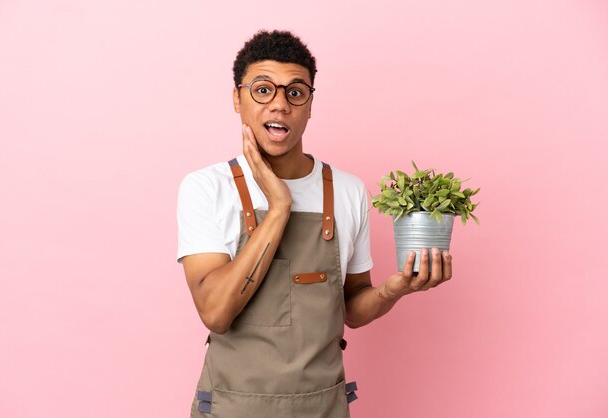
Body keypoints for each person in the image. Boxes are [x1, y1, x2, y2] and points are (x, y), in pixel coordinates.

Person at [177, 30, 453, 418]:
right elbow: (216, 312)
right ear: (236, 99)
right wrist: (278, 208)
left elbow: (352, 309)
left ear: (310, 103)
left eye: (295, 92)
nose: (279, 105)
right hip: (231, 407)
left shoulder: (347, 189)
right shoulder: (206, 188)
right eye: (262, 90)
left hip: (322, 408)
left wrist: (394, 289)